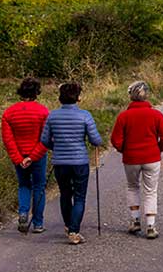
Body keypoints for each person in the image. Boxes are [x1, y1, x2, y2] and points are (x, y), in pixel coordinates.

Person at [40, 82, 102, 245]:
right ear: (78, 97)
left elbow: (44, 140)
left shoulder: (52, 116)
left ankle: (68, 225)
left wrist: (57, 147)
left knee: (65, 194)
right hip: (79, 161)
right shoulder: (85, 115)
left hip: (60, 161)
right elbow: (95, 140)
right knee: (79, 196)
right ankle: (74, 230)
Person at [111, 81, 163, 239]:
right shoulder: (156, 115)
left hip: (131, 158)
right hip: (152, 157)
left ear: (131, 95)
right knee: (151, 190)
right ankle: (151, 225)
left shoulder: (123, 116)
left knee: (132, 187)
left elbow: (116, 140)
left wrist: (124, 149)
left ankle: (135, 220)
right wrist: (158, 149)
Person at [1, 77, 49, 233]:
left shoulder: (9, 113)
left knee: (23, 185)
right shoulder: (43, 111)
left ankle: (23, 213)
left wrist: (18, 158)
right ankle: (38, 223)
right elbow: (46, 138)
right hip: (38, 155)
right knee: (39, 187)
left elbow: (8, 139)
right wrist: (33, 156)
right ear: (36, 93)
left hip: (19, 155)